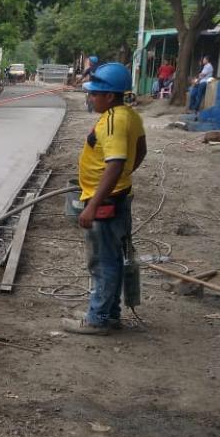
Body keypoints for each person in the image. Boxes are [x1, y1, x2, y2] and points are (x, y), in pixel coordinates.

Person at [63, 62, 147, 336]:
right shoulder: (129, 115)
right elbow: (140, 150)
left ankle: (97, 318)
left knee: (102, 261)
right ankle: (109, 313)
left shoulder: (113, 121)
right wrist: (124, 176)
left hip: (107, 202)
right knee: (112, 258)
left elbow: (116, 162)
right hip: (116, 196)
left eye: (94, 94)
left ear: (109, 96)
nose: (90, 98)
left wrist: (95, 204)